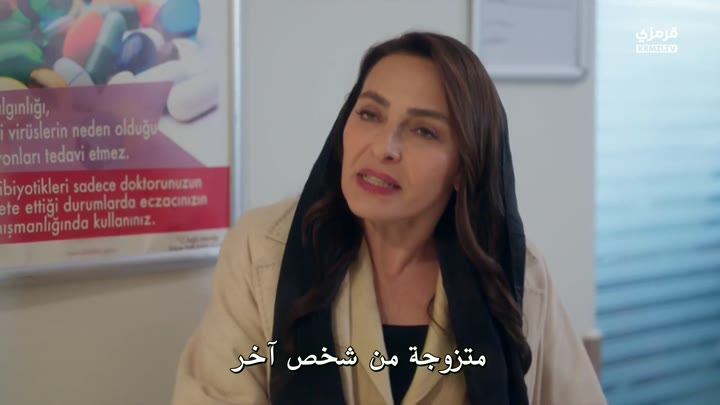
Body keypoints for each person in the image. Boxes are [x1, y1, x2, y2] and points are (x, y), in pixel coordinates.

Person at [171, 31, 607, 405]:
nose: (384, 147)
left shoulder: (514, 271)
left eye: (423, 131)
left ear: (464, 166)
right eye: (370, 114)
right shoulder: (264, 250)